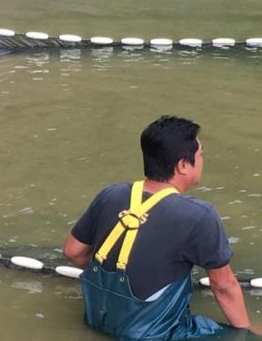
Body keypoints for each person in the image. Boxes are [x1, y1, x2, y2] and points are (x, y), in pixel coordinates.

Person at [63, 116, 251, 340]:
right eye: (200, 155)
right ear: (183, 165)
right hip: (157, 334)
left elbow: (72, 251)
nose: (202, 160)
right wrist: (246, 332)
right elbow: (223, 286)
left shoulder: (110, 194)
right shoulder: (199, 215)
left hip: (97, 322)